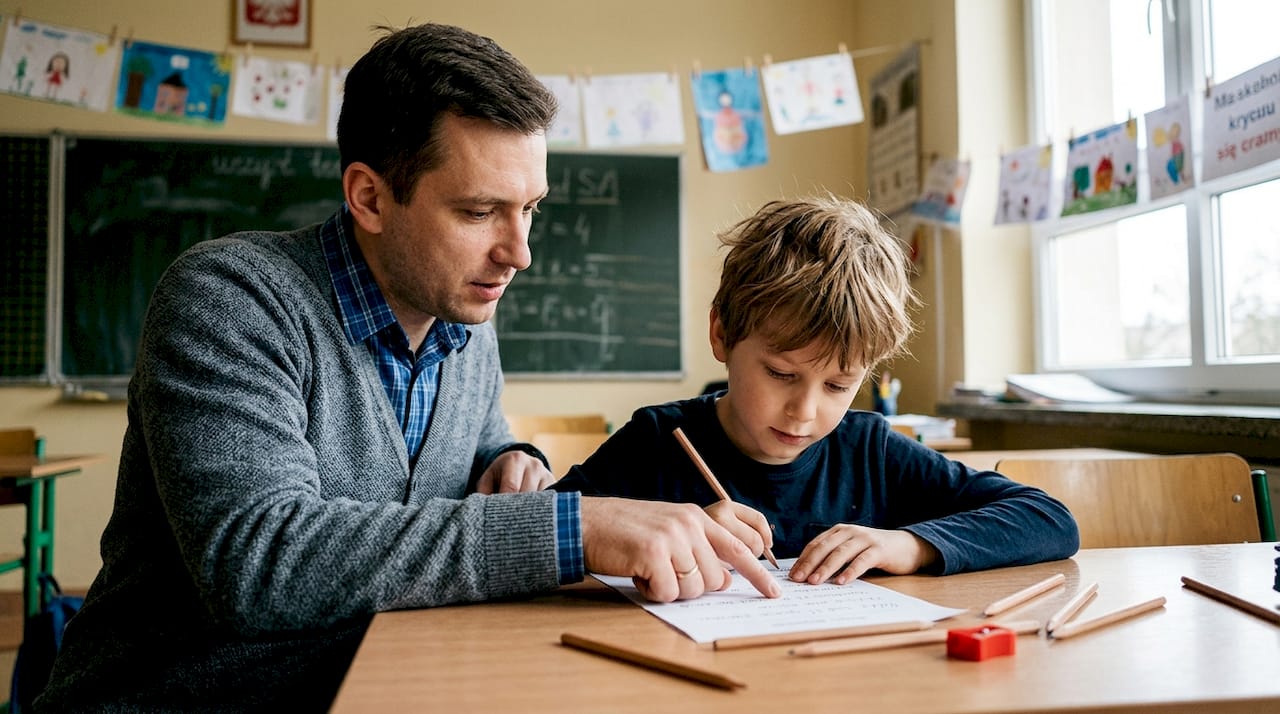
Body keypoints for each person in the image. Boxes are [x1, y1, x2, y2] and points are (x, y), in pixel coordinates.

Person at [37, 23, 777, 713]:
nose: (519, 253)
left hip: (379, 683)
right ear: (369, 196)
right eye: (480, 211)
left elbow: (477, 452)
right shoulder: (229, 299)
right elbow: (259, 562)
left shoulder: (463, 317)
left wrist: (513, 460)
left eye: (532, 210)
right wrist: (569, 528)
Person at [552, 196, 1079, 585]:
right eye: (781, 374)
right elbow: (532, 536)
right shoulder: (658, 441)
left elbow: (1049, 520)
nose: (805, 411)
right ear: (721, 335)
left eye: (838, 384)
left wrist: (909, 544)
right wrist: (658, 533)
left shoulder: (869, 448)